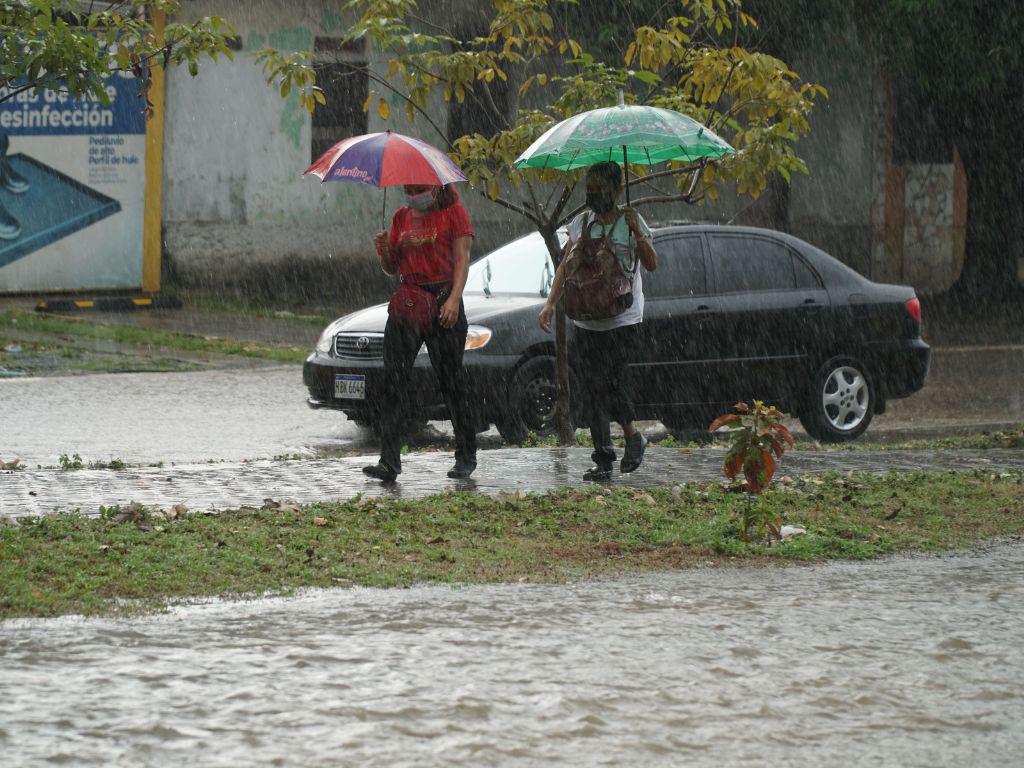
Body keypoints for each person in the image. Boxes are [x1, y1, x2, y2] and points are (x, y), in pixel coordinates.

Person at [538, 161, 657, 481]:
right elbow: (565, 265)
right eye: (590, 189)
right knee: (591, 390)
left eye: (602, 189)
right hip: (587, 319)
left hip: (622, 318)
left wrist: (637, 234)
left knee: (614, 384)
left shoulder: (632, 220)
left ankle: (633, 436)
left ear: (618, 190)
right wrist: (550, 303)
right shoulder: (581, 223)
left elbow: (652, 263)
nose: (595, 195)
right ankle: (603, 458)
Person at [363, 182, 477, 483]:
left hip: (442, 301)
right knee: (393, 382)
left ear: (437, 188)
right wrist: (384, 252)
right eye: (409, 189)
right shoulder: (401, 217)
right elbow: (392, 267)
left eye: (420, 189)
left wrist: (453, 299)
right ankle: (389, 461)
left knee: (451, 382)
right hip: (409, 303)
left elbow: (462, 259)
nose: (414, 195)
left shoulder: (454, 213)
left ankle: (466, 455)